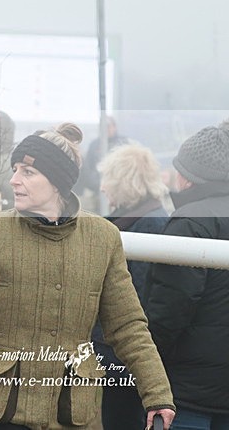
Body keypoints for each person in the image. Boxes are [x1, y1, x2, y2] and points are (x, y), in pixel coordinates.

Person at [0, 123, 176, 430]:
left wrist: (157, 396)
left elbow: (129, 328)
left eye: (27, 172)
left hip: (68, 413)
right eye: (15, 170)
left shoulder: (103, 239)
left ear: (57, 182)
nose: (14, 180)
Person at [145, 122, 229, 429]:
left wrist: (147, 366)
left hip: (188, 390)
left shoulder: (189, 221)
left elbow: (170, 307)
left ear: (191, 178)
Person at [92, 143, 170, 429]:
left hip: (126, 356)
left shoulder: (148, 227)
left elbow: (132, 300)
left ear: (124, 181)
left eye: (108, 179)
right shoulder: (140, 219)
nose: (102, 187)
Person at [74, 116, 128, 204]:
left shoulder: (124, 143)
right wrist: (95, 184)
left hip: (120, 191)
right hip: (98, 190)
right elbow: (88, 167)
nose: (106, 129)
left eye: (108, 126)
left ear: (114, 127)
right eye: (103, 127)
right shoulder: (94, 145)